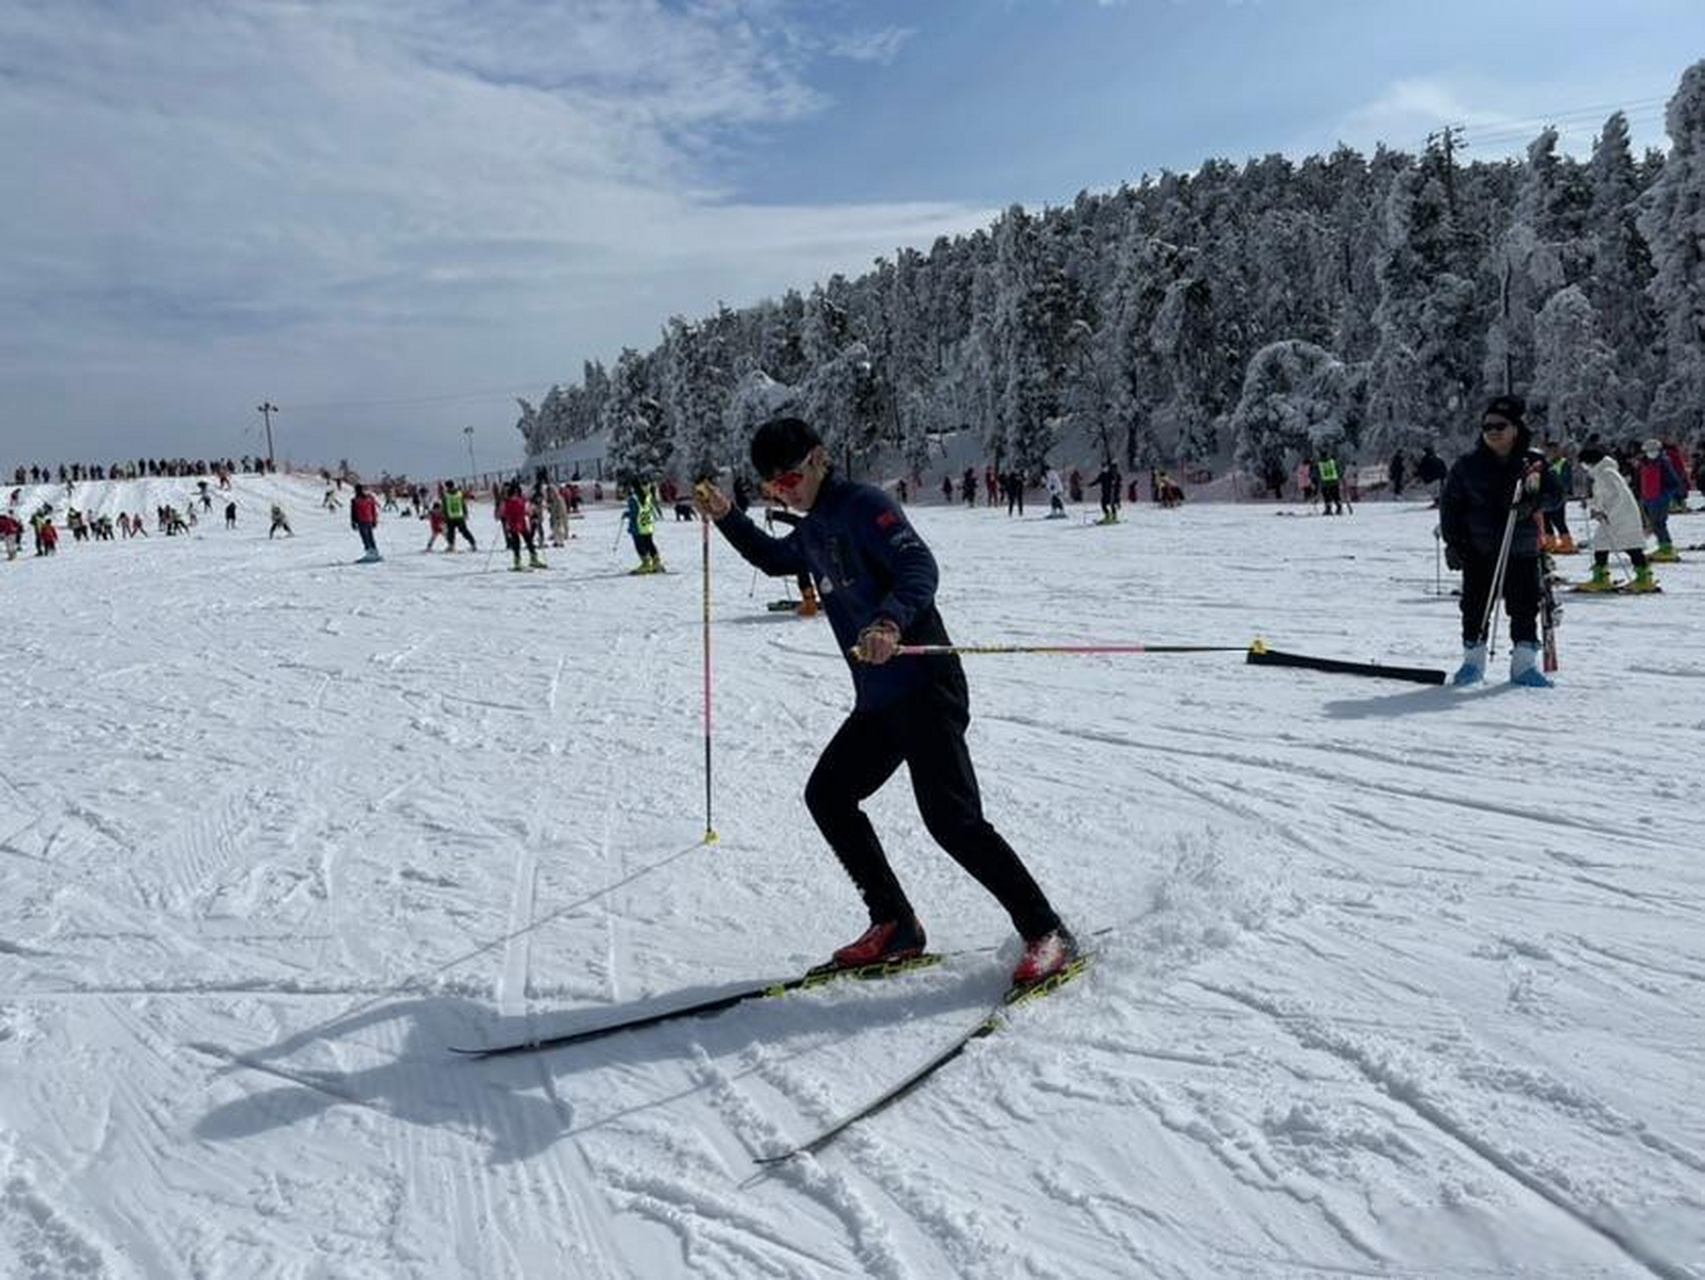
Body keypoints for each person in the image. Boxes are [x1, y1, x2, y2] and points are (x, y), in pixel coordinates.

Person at [693, 416, 1077, 986]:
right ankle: (894, 924)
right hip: (879, 702)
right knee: (829, 795)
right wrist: (728, 516)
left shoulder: (863, 506)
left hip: (925, 686)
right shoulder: (816, 524)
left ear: (820, 458)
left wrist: (890, 622)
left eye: (793, 476)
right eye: (774, 486)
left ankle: (1048, 932)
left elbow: (919, 567)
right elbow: (775, 559)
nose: (786, 490)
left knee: (952, 821)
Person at [1439, 396, 1564, 687]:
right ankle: (1472, 664)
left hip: (1520, 549)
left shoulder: (1532, 463)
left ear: (1516, 429)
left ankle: (1523, 666)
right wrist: (1453, 543)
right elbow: (1451, 505)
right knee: (1474, 607)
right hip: (1477, 549)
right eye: (1487, 426)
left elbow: (1556, 495)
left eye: (1500, 426)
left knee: (1524, 607)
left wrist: (1533, 504)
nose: (1493, 431)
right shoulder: (1467, 465)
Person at [1576, 445, 1658, 593]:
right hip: (1621, 514)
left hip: (1618, 516)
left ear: (1590, 462)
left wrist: (1602, 511)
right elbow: (1604, 497)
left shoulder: (1605, 473)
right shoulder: (1604, 472)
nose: (1584, 467)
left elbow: (1614, 496)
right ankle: (1643, 577)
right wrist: (1591, 503)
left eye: (1584, 463)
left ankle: (1602, 578)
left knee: (1606, 543)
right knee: (1626, 544)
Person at [1635, 438, 1686, 562]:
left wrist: (1668, 495)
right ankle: (1663, 545)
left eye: (1654, 450)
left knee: (1659, 523)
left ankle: (1666, 547)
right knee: (1654, 523)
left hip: (1660, 498)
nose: (1652, 453)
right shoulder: (1644, 463)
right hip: (1648, 497)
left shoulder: (1664, 463)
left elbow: (1674, 482)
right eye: (1649, 450)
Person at [500, 480, 545, 571]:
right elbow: (503, 513)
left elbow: (527, 510)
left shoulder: (522, 499)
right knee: (517, 543)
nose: (516, 492)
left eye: (517, 490)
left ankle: (534, 559)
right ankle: (517, 562)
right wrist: (505, 521)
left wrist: (533, 514)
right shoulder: (507, 501)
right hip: (513, 523)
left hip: (522, 523)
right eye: (514, 490)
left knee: (529, 541)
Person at [623, 482, 664, 573]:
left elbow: (634, 513)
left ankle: (646, 563)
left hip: (638, 526)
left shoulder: (633, 499)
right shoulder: (648, 496)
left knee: (640, 545)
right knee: (649, 543)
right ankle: (656, 562)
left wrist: (627, 514)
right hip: (647, 524)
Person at [350, 483, 382, 562]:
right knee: (370, 537)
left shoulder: (355, 500)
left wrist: (353, 522)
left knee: (365, 538)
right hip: (369, 520)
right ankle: (375, 553)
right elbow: (373, 510)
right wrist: (374, 520)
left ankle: (370, 554)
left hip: (361, 521)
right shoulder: (369, 498)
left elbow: (353, 512)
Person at [441, 481, 476, 551]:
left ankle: (472, 544)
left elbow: (445, 507)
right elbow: (463, 504)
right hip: (455, 516)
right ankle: (452, 546)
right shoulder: (458, 493)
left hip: (455, 517)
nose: (448, 488)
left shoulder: (447, 495)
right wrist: (465, 513)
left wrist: (465, 513)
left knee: (459, 532)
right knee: (453, 532)